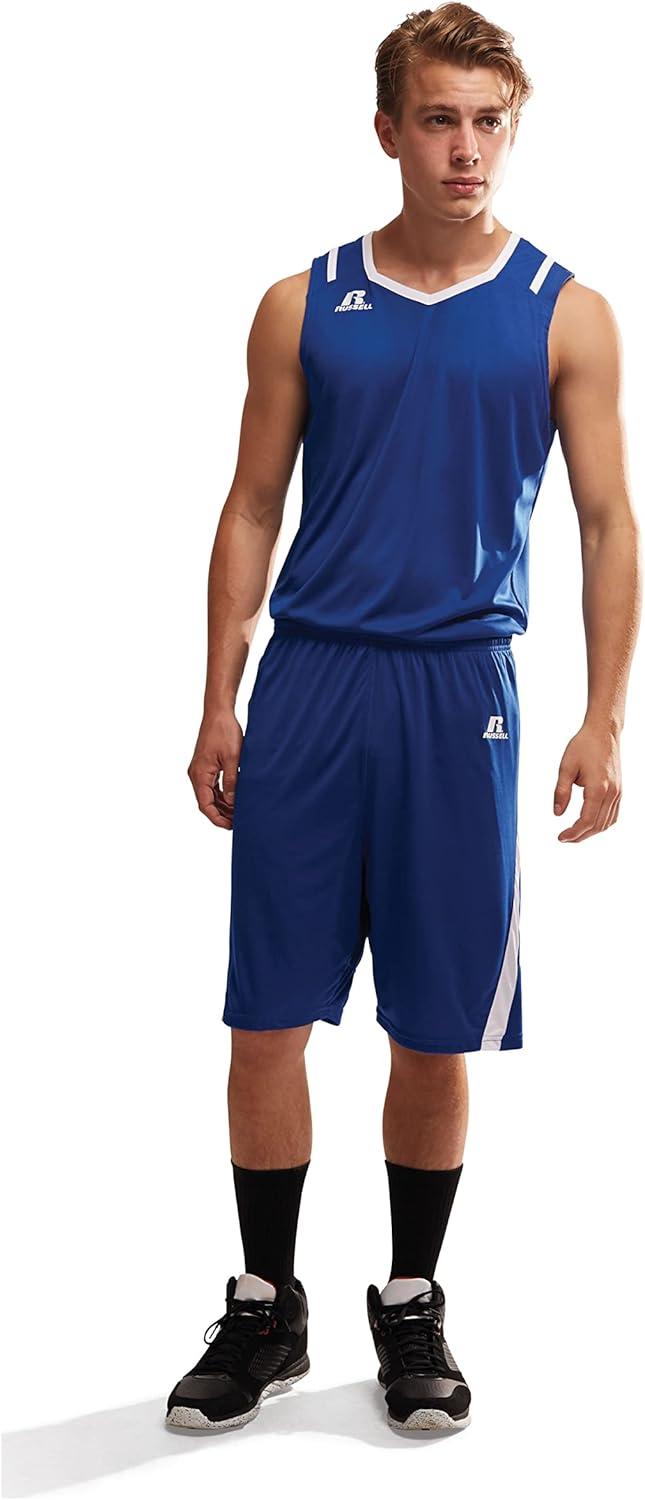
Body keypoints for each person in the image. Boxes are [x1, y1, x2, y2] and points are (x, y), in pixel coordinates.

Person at [166, 4, 640, 1436]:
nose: (466, 149)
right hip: (313, 682)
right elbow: (251, 506)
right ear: (387, 129)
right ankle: (266, 1305)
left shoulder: (565, 310)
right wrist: (217, 695)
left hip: (461, 697)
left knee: (433, 1030)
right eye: (439, 119)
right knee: (267, 1015)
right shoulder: (302, 303)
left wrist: (602, 718)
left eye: (490, 122)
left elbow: (608, 523)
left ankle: (411, 1301)